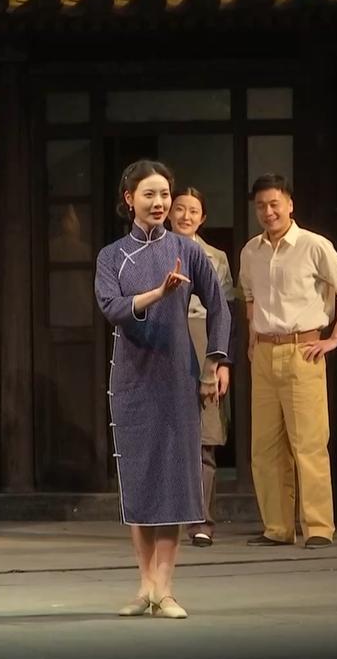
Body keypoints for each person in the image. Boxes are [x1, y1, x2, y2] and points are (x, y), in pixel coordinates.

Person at [95, 161, 230, 620]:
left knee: (173, 480)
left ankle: (166, 589)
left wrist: (215, 360)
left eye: (164, 195)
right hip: (132, 378)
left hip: (177, 376)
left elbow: (220, 307)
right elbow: (112, 307)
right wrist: (158, 292)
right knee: (138, 479)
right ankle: (145, 586)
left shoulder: (187, 250)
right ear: (129, 199)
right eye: (149, 194)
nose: (159, 203)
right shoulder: (113, 256)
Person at [240, 174, 337, 550]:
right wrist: (251, 340)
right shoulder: (251, 251)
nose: (268, 211)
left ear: (290, 204)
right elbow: (249, 296)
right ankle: (277, 527)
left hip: (303, 349)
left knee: (308, 443)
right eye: (261, 206)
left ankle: (318, 526)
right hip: (264, 353)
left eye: (274, 204)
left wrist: (333, 339)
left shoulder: (313, 245)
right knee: (264, 447)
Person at [169, 188, 235, 547]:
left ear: (203, 217)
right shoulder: (153, 252)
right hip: (164, 343)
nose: (185, 216)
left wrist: (222, 362)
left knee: (205, 438)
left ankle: (201, 522)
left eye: (193, 211)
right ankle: (164, 519)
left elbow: (225, 312)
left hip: (204, 340)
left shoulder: (216, 257)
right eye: (179, 209)